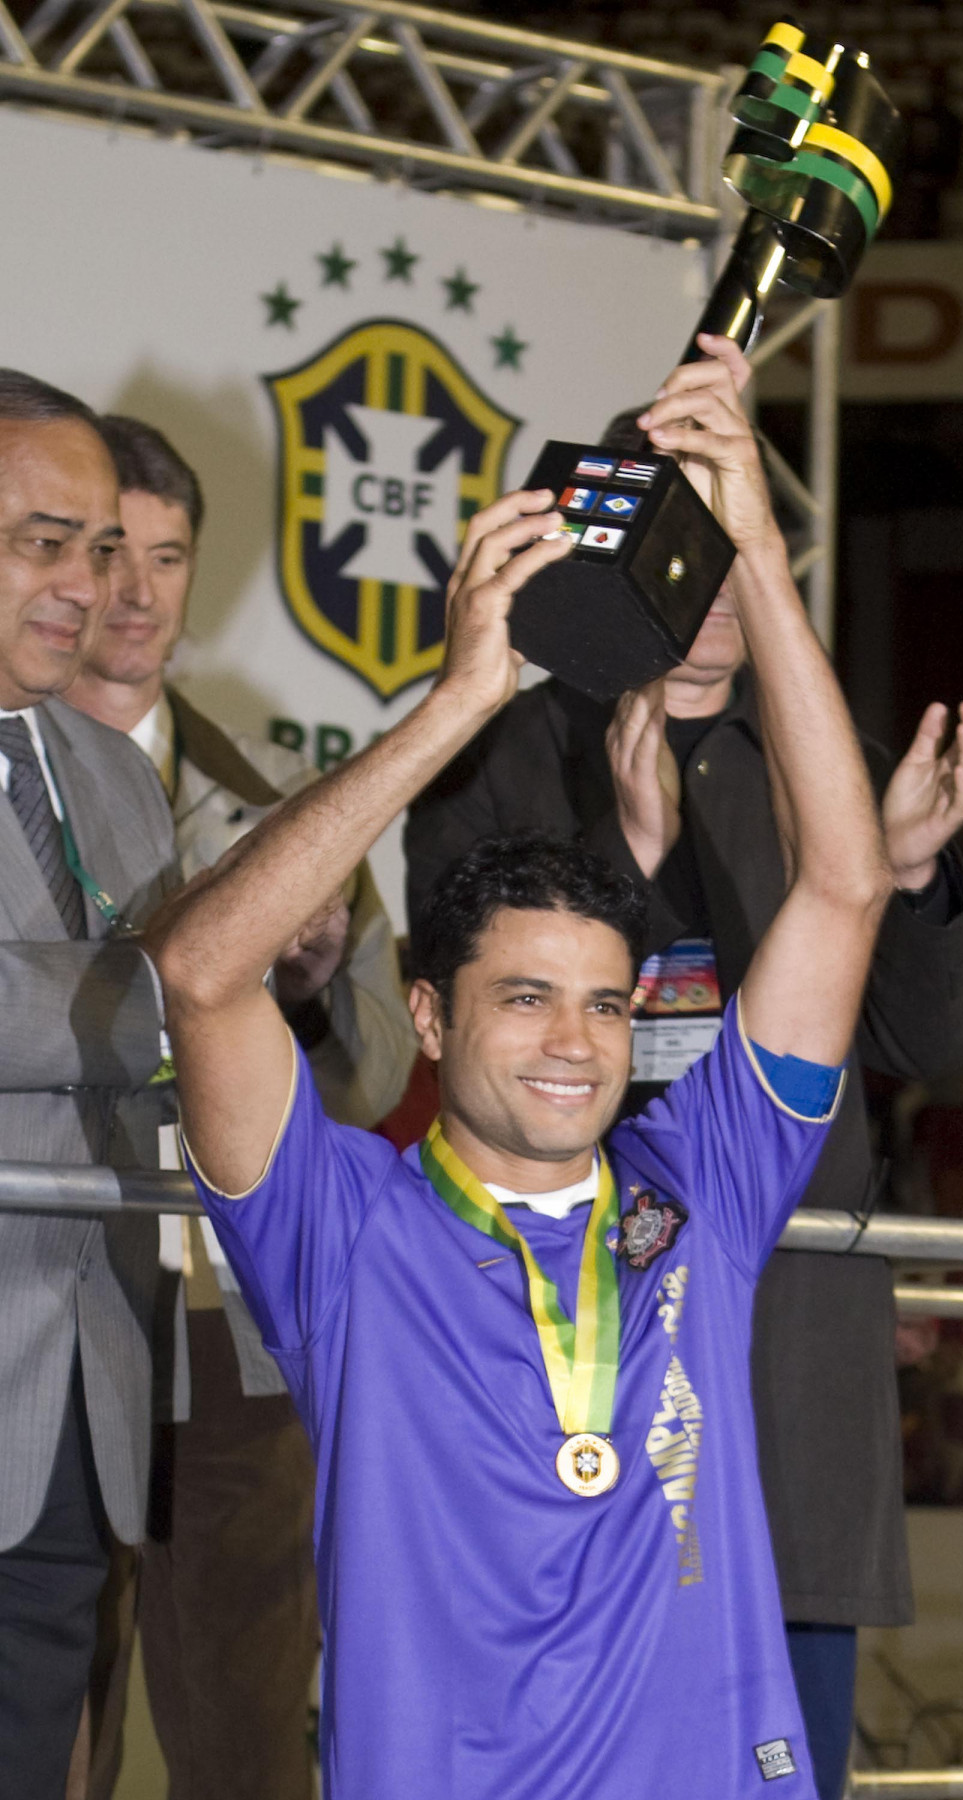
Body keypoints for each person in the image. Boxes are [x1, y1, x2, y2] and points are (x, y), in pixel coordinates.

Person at [144, 334, 894, 1799]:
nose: (574, 1045)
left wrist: (752, 552)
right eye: (527, 999)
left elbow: (846, 890)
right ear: (427, 1018)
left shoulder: (702, 1194)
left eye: (607, 1009)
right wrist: (459, 700)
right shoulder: (340, 1225)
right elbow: (198, 971)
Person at [403, 397, 963, 1800]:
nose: (719, 582)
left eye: (748, 543)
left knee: (791, 1715)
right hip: (574, 1313)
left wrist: (903, 880)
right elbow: (492, 1036)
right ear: (616, 547)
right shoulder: (504, 743)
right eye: (689, 543)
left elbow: (928, 1034)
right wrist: (636, 855)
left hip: (795, 1333)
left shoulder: (814, 750)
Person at [63, 414, 415, 1800]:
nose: (138, 593)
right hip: (44, 1305)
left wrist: (317, 988)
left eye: (168, 555)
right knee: (41, 1721)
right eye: (106, 552)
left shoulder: (276, 809)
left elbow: (379, 1071)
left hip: (230, 1332)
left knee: (246, 1736)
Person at [0, 370, 178, 1799]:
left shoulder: (115, 779)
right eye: (43, 542)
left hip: (75, 1394)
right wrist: (185, 982)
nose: (88, 586)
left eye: (101, 546)